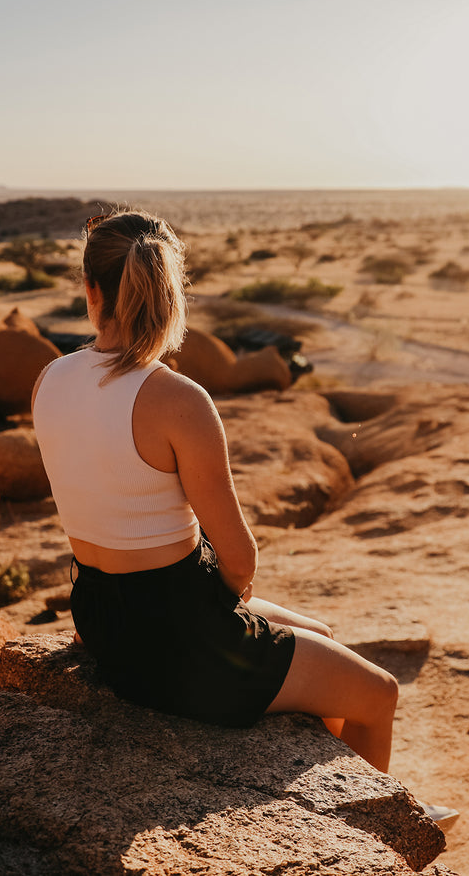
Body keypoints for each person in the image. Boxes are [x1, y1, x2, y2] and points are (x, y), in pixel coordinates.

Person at [31, 209, 402, 772]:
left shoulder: (49, 379)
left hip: (101, 620)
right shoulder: (179, 400)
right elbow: (240, 559)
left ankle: (342, 801)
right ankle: (377, 832)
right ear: (171, 291)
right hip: (183, 644)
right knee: (379, 694)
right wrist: (219, 611)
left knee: (321, 634)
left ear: (90, 289)